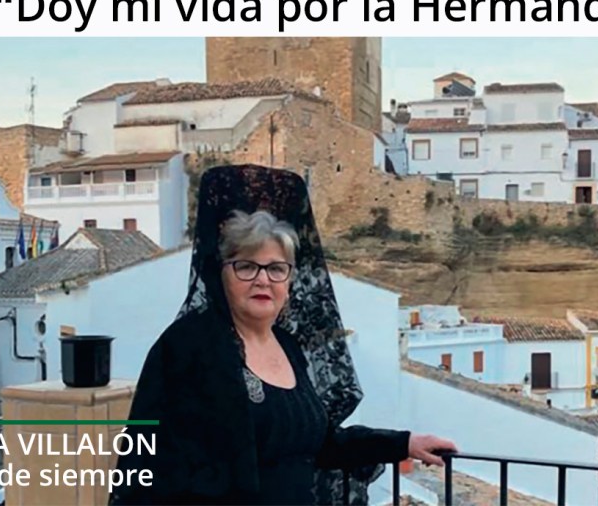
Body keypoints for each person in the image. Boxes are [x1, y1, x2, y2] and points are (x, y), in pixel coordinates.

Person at [110, 164, 457, 505]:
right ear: (221, 274)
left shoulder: (288, 345)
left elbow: (319, 443)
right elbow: (150, 468)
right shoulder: (187, 347)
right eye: (246, 266)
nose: (263, 279)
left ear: (291, 280)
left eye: (277, 268)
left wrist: (404, 443)